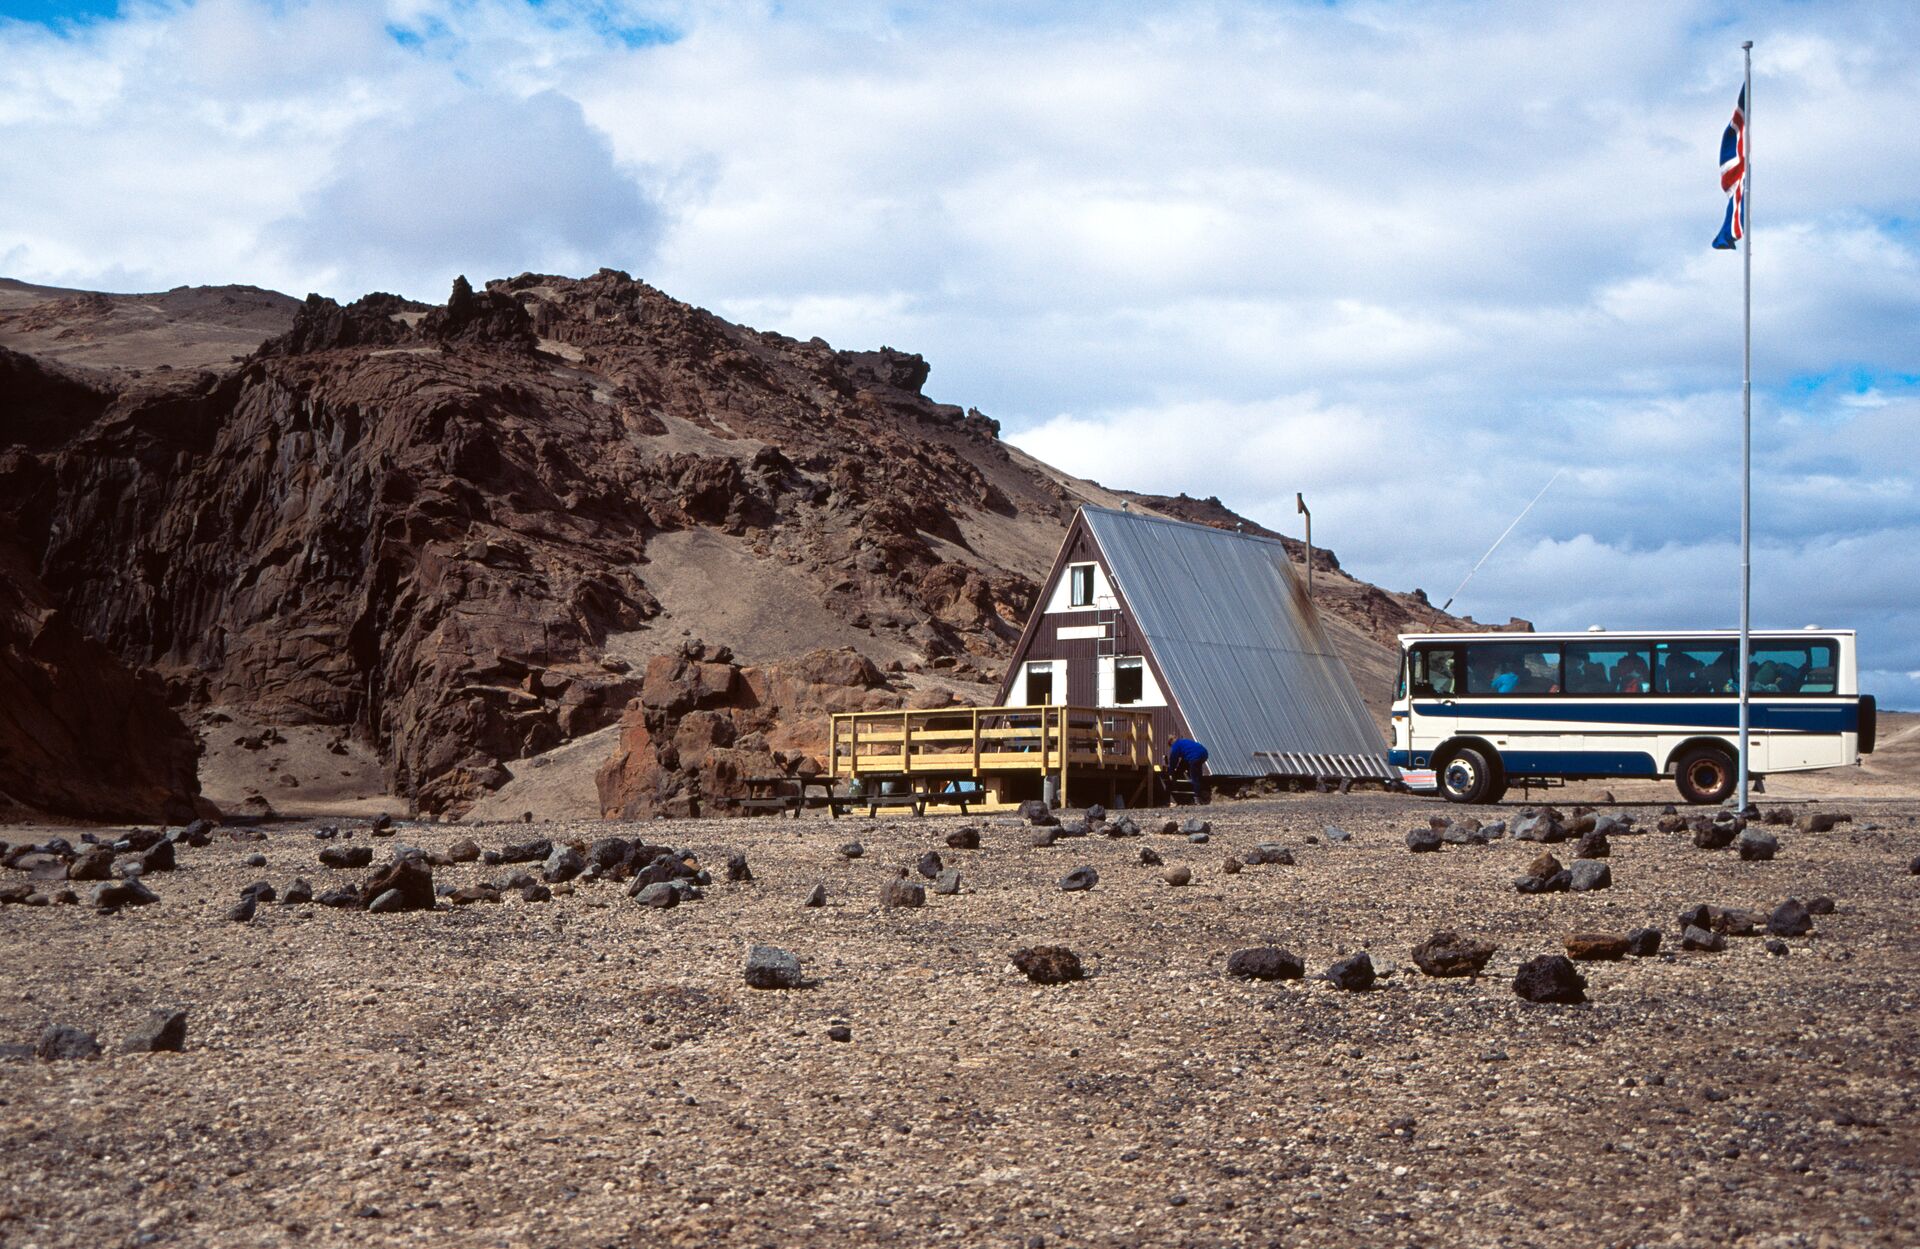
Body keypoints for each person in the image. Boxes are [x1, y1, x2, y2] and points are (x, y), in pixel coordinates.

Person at [1164, 735, 1210, 805]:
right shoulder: (1184, 741)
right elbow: (1183, 761)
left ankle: (1197, 797)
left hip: (1194, 757)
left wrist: (1171, 772)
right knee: (1197, 773)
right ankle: (1203, 792)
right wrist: (1179, 770)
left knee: (1194, 776)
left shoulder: (1176, 746)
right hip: (1203, 753)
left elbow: (1173, 760)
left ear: (1171, 743)